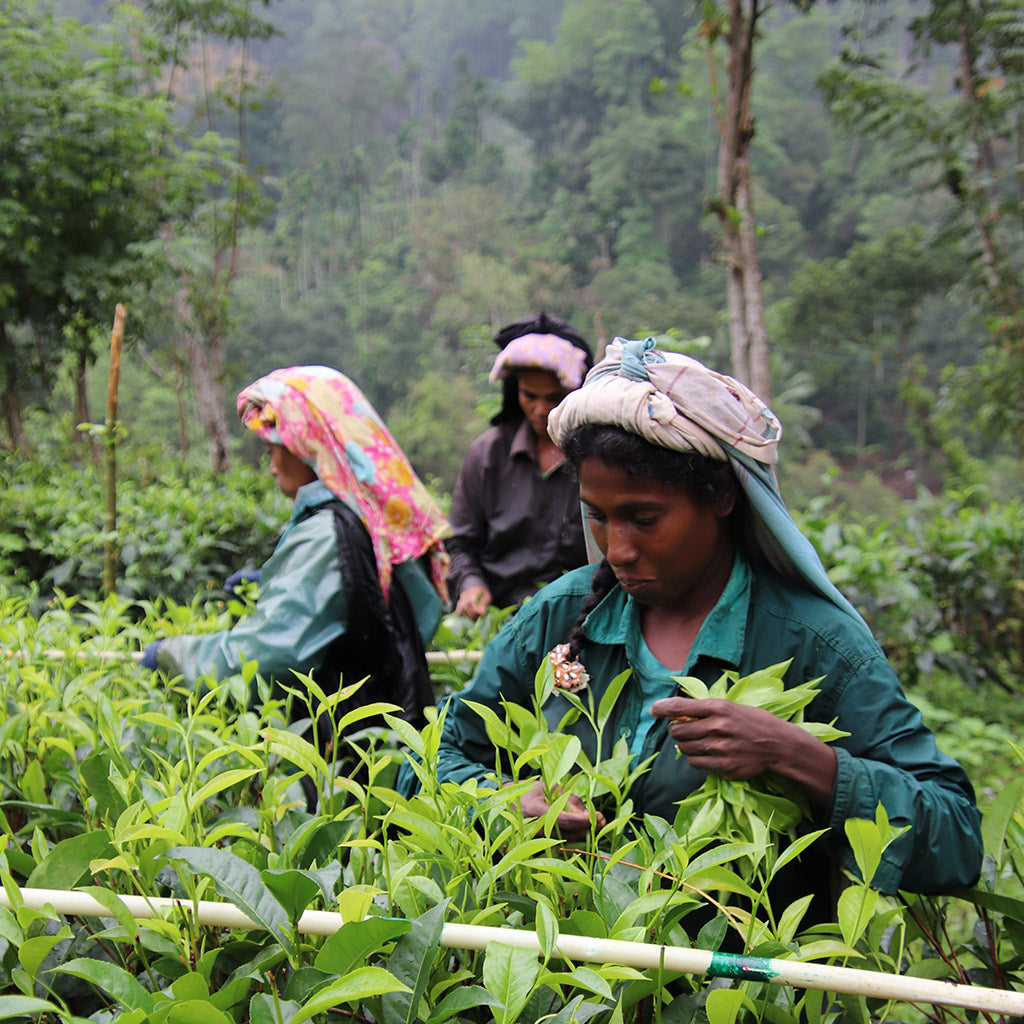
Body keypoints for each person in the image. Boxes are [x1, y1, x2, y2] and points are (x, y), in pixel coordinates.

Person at [434, 337, 983, 907]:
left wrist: (797, 757)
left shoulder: (815, 645)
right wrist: (503, 801)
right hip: (571, 980)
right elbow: (440, 760)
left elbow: (958, 838)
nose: (616, 549)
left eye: (644, 518)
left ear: (720, 495)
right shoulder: (557, 616)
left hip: (743, 986)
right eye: (597, 515)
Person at [140, 365, 451, 753]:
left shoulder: (326, 535)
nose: (271, 466)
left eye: (274, 449)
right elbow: (394, 608)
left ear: (308, 445)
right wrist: (278, 584)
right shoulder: (373, 515)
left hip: (339, 758)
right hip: (392, 738)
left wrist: (169, 655)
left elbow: (260, 658)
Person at [446, 312, 594, 619]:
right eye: (530, 395)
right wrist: (471, 584)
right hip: (500, 621)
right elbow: (460, 543)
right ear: (515, 391)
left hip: (579, 620)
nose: (541, 410)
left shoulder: (594, 459)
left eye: (555, 397)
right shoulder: (487, 455)